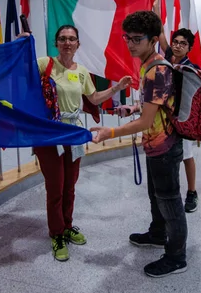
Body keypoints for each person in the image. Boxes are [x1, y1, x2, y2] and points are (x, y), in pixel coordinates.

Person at [18, 26, 131, 262]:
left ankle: (67, 226)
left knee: (70, 185)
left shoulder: (81, 72)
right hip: (49, 133)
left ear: (78, 44)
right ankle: (56, 233)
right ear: (56, 43)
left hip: (74, 131)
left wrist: (117, 87)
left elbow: (93, 98)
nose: (67, 43)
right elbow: (20, 71)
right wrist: (20, 44)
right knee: (56, 186)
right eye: (62, 39)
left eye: (71, 39)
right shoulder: (44, 64)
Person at [91, 11, 188, 278]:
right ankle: (158, 234)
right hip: (155, 145)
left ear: (153, 40)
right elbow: (154, 108)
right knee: (156, 196)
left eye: (137, 39)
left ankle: (177, 257)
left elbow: (147, 122)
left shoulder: (156, 70)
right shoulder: (148, 65)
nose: (130, 44)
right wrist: (132, 108)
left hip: (165, 147)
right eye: (127, 38)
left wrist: (110, 132)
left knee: (170, 202)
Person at [157, 27, 200, 213]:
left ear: (189, 48)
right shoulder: (167, 58)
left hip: (184, 119)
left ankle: (192, 192)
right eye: (176, 42)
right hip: (165, 118)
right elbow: (160, 34)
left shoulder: (192, 69)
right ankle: (170, 189)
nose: (177, 46)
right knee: (168, 155)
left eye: (183, 43)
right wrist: (155, 4)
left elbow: (198, 98)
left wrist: (195, 124)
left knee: (187, 156)